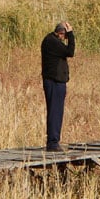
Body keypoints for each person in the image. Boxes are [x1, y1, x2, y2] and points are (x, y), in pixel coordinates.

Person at [40, 21, 75, 152]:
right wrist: (71, 34)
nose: (65, 39)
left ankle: (53, 141)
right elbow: (70, 51)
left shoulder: (50, 40)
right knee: (55, 111)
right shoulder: (52, 42)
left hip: (55, 81)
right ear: (61, 33)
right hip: (54, 82)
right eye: (65, 36)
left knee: (56, 111)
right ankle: (53, 143)